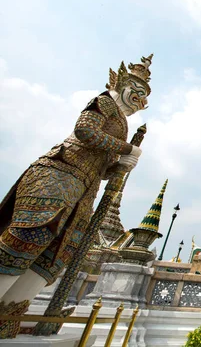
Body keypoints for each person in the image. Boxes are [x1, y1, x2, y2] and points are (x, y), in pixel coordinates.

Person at [0, 54, 153, 338]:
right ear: (121, 83)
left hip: (86, 188)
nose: (141, 101)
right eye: (138, 92)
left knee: (57, 254)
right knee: (28, 238)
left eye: (145, 97)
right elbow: (84, 130)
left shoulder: (122, 122)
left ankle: (9, 313)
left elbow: (104, 167)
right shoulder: (104, 101)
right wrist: (126, 150)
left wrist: (119, 165)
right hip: (59, 173)